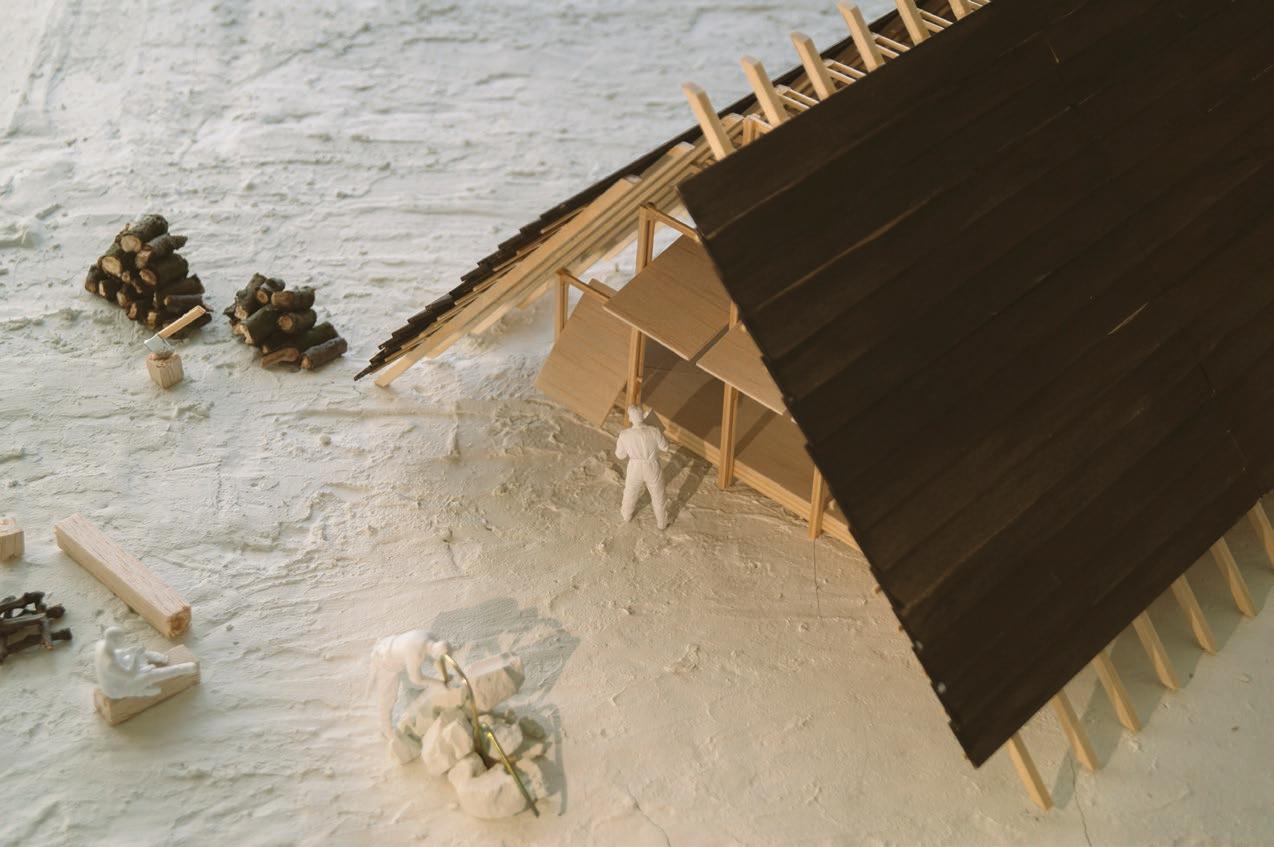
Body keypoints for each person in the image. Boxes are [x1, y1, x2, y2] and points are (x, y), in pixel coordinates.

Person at [94, 627, 197, 699]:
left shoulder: (101, 644)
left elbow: (118, 653)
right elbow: (130, 675)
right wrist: (136, 658)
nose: (123, 642)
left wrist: (130, 652)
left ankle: (158, 660)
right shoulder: (110, 664)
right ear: (114, 641)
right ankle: (182, 669)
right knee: (149, 675)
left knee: (138, 652)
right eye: (121, 640)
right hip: (118, 689)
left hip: (119, 672)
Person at [615, 405, 669, 529]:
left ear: (630, 418)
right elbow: (665, 447)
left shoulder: (625, 434)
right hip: (652, 466)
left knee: (630, 492)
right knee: (658, 496)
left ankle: (626, 515)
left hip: (635, 468)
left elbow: (620, 455)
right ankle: (662, 523)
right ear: (643, 416)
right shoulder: (654, 430)